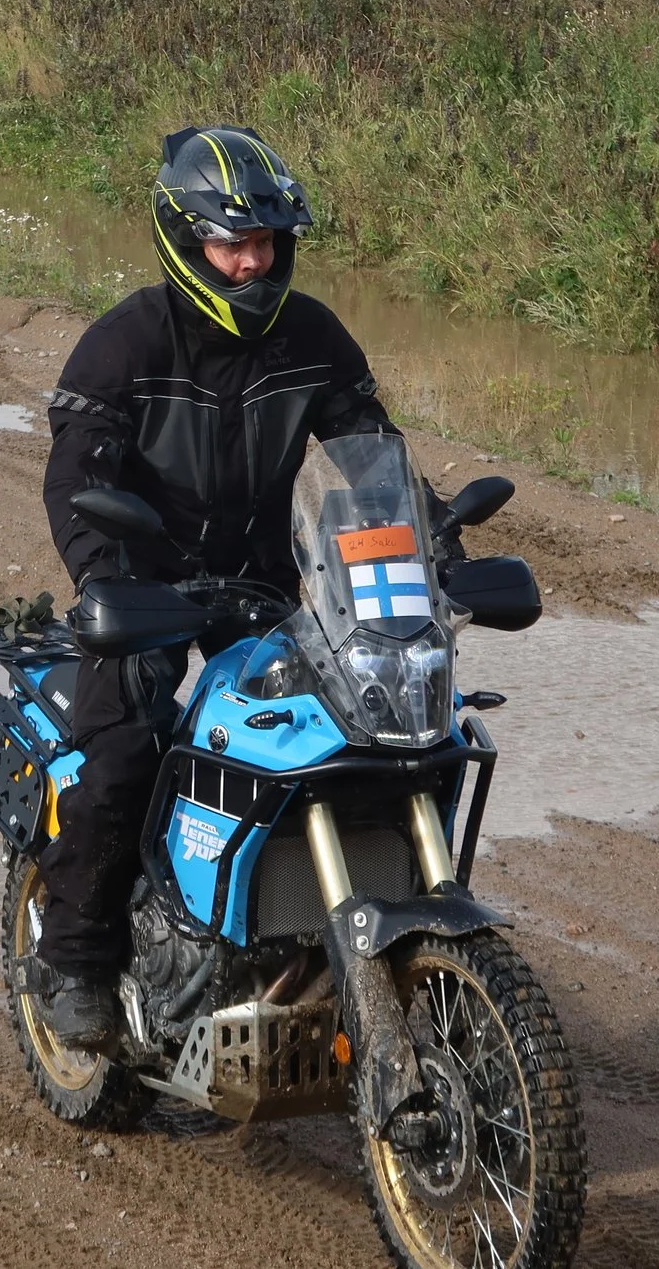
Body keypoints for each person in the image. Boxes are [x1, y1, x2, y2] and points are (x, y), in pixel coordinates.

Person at [30, 125, 401, 1051]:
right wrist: (105, 579)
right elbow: (76, 476)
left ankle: (304, 923)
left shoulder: (312, 336)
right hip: (147, 584)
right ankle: (74, 959)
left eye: (265, 242)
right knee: (127, 751)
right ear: (186, 242)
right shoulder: (124, 344)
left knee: (354, 736)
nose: (252, 263)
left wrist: (425, 542)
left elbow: (370, 455)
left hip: (264, 580)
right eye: (233, 244)